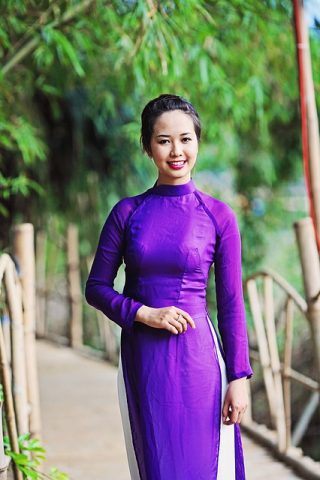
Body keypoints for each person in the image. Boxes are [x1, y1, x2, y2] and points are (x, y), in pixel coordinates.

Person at [85, 93, 253, 480]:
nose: (176, 151)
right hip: (144, 358)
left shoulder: (218, 215)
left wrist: (239, 378)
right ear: (147, 146)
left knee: (205, 465)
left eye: (185, 139)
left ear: (197, 141)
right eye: (164, 140)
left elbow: (230, 304)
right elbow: (97, 287)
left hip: (199, 361)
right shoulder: (127, 212)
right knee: (156, 465)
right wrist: (144, 313)